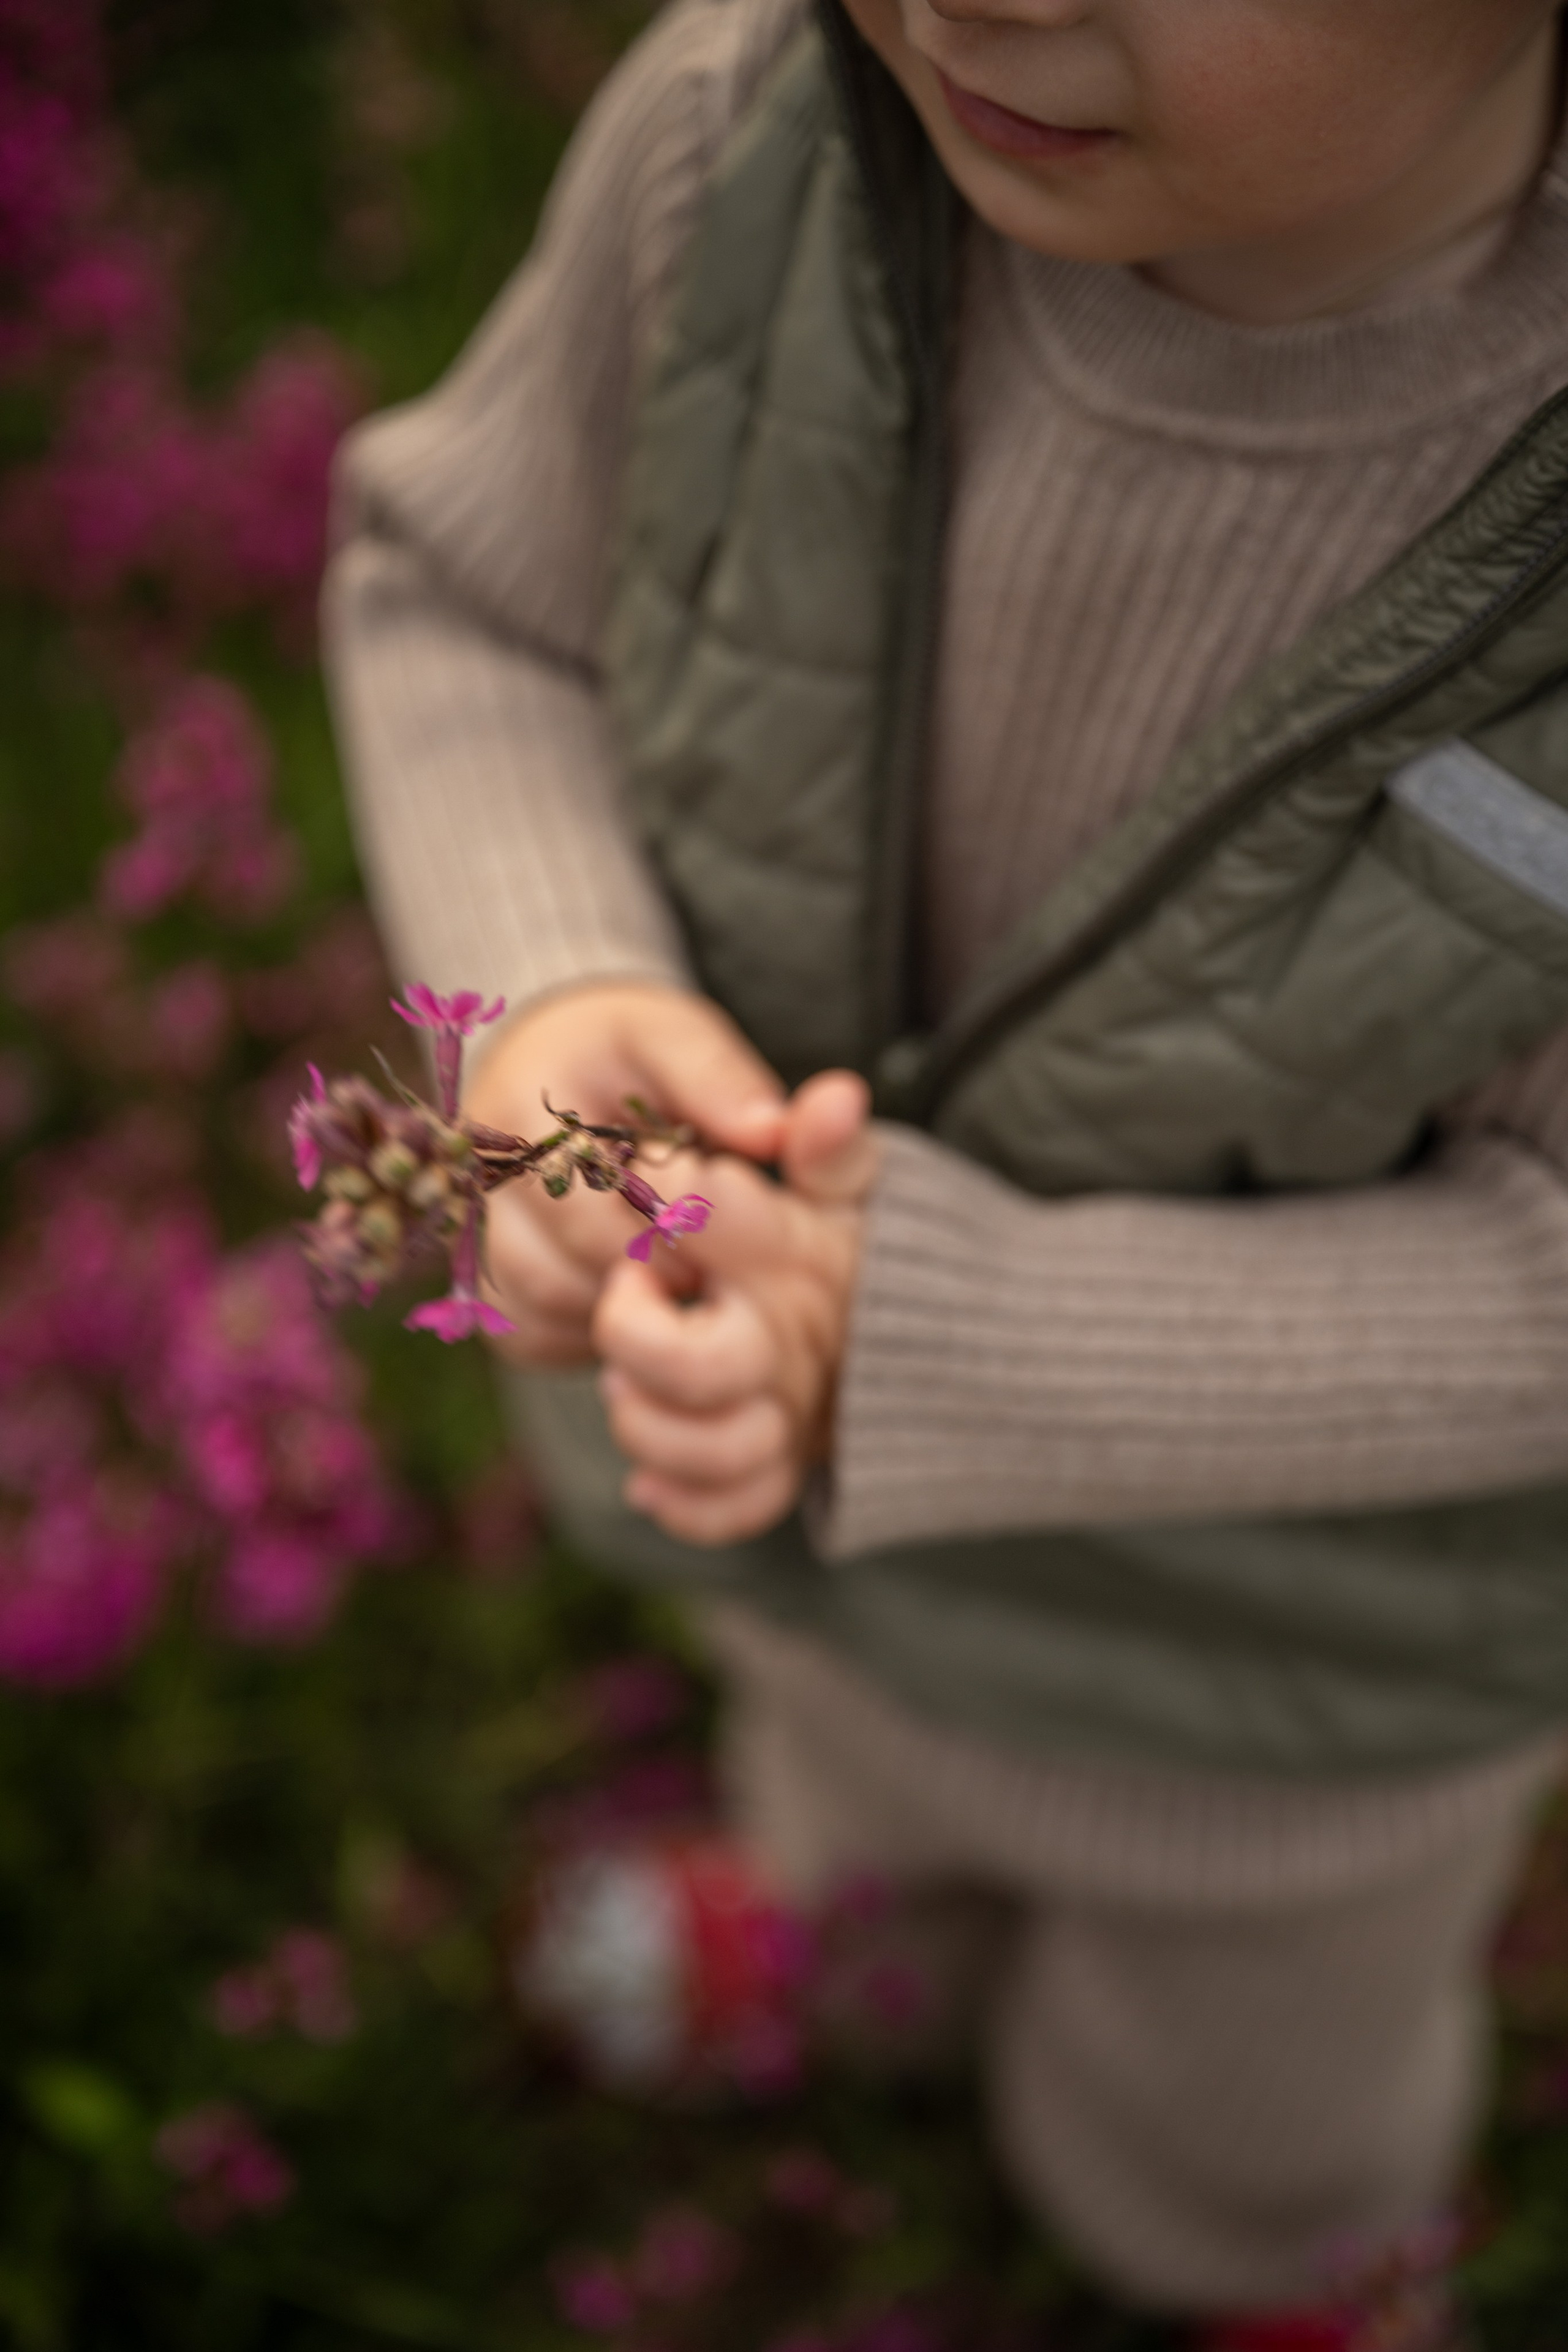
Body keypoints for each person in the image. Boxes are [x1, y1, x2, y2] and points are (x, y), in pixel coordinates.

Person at [324, 2, 1568, 2343]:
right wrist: (556, 997)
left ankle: (1270, 2269)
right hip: (811, 1542)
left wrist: (921, 1334)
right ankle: (844, 1949)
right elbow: (472, 595)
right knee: (847, 1782)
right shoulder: (761, 134)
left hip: (1303, 1703)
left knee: (1230, 2108)